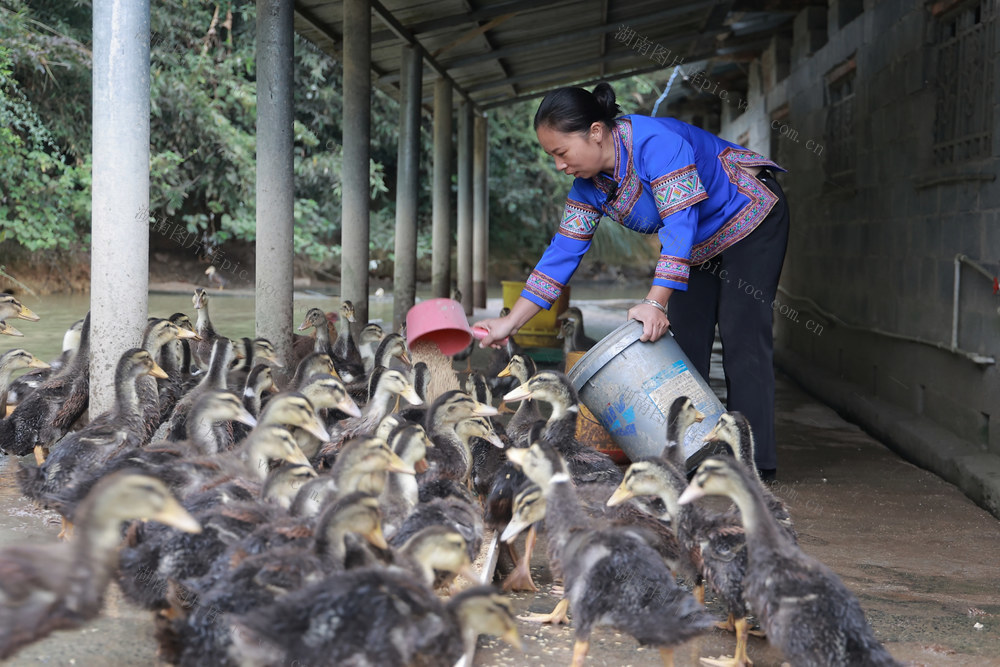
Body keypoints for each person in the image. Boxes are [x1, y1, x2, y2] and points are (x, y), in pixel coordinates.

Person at [474, 83, 790, 480]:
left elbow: (679, 224)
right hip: (697, 240)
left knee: (741, 332)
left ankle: (753, 464)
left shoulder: (656, 143)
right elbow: (561, 255)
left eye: (561, 152)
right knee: (681, 344)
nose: (559, 165)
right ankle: (689, 455)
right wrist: (509, 323)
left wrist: (655, 302)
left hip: (748, 216)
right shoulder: (588, 188)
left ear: (594, 131)